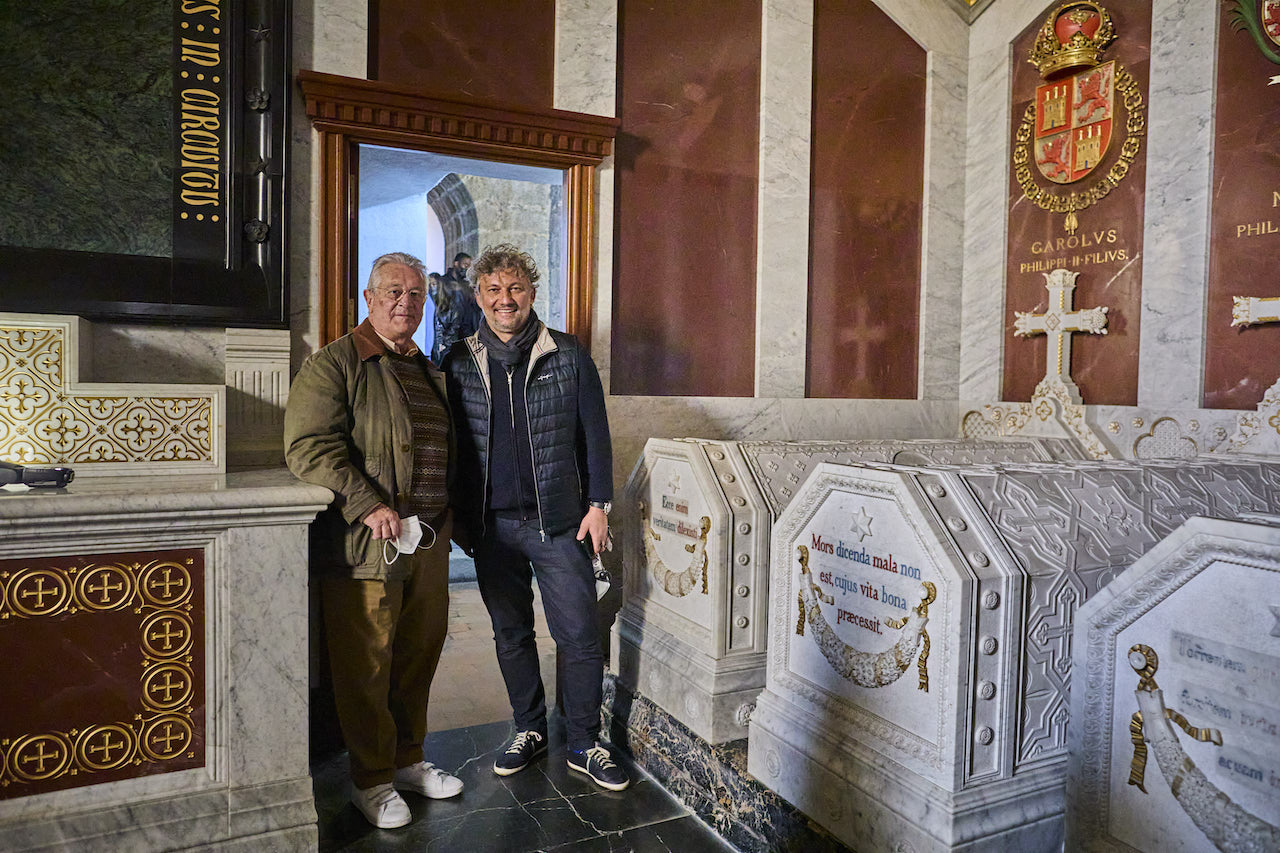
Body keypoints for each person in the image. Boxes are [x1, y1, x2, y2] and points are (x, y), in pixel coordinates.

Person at [284, 252, 463, 829]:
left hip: (428, 539)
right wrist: (368, 504)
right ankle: (371, 779)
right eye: (392, 291)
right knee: (366, 662)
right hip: (368, 542)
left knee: (419, 652)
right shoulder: (335, 363)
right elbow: (309, 447)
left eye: (415, 294)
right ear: (369, 297)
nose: (404, 302)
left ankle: (407, 760)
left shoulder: (426, 365)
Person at [444, 243, 629, 791]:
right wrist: (456, 516)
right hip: (491, 528)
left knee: (578, 635)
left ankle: (583, 741)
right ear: (479, 296)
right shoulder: (458, 361)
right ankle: (529, 729)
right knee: (511, 635)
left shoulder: (567, 354)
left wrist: (599, 507)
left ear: (531, 294)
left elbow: (595, 436)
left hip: (559, 524)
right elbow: (454, 446)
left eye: (516, 289)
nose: (506, 300)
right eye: (494, 290)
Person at [433, 254, 483, 363]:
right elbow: (439, 312)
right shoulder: (443, 282)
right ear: (456, 264)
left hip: (467, 333)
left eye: (469, 266)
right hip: (448, 335)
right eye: (465, 264)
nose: (467, 268)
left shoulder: (468, 285)